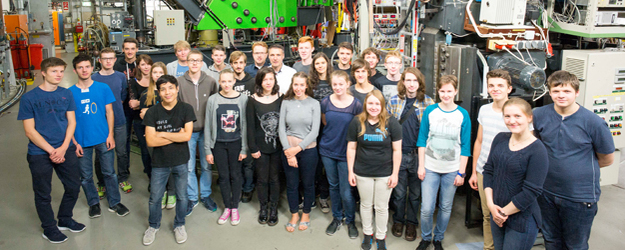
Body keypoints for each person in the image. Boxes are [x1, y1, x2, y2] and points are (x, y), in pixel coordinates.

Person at [533, 70, 615, 250]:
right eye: (556, 91)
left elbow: (607, 158)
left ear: (576, 92)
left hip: (579, 196)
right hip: (546, 192)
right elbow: (537, 146)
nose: (561, 95)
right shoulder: (539, 114)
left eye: (567, 91)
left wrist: (577, 169)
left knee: (575, 245)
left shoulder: (593, 122)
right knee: (552, 241)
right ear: (550, 92)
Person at [18, 57, 85, 243]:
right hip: (39, 152)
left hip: (65, 147)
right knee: (43, 193)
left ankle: (65, 218)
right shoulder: (29, 98)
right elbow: (29, 131)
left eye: (61, 71)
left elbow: (72, 122)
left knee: (73, 186)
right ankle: (49, 228)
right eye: (54, 71)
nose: (59, 75)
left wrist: (63, 148)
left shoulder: (66, 94)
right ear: (44, 73)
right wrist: (52, 150)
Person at [483, 98, 549, 250]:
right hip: (496, 213)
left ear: (529, 117)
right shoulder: (500, 138)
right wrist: (491, 206)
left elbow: (531, 191)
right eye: (507, 116)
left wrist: (503, 212)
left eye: (518, 116)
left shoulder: (537, 150)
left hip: (522, 219)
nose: (512, 121)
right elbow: (489, 171)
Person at [69, 54, 130, 218]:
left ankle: (115, 202)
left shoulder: (102, 88)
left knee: (109, 172)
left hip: (103, 138)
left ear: (92, 68)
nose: (84, 70)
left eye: (87, 66)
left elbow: (110, 112)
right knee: (86, 176)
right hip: (82, 141)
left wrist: (110, 135)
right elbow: (67, 120)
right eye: (80, 67)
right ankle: (93, 203)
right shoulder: (69, 93)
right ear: (75, 70)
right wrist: (74, 142)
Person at [415, 75, 471, 250]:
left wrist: (461, 172)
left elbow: (465, 146)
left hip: (452, 169)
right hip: (430, 167)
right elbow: (422, 140)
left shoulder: (462, 115)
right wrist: (421, 165)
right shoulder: (430, 111)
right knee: (426, 208)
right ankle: (425, 238)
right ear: (438, 91)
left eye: (449, 91)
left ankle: (438, 238)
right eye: (442, 91)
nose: (446, 95)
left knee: (446, 207)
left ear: (455, 91)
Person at [142, 75, 195, 245]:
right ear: (158, 92)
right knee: (155, 198)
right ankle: (153, 225)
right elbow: (150, 141)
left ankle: (179, 224)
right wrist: (176, 135)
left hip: (181, 160)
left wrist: (162, 133)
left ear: (177, 89)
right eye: (163, 89)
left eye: (171, 88)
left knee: (182, 196)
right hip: (160, 163)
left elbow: (187, 136)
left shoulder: (186, 109)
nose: (168, 92)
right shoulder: (152, 112)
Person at [347, 90, 401, 250]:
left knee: (381, 207)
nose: (374, 107)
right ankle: (368, 234)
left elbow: (397, 150)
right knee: (365, 204)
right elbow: (351, 148)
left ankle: (381, 236)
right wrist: (350, 171)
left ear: (382, 105)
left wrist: (395, 173)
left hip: (385, 173)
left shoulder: (392, 123)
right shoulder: (357, 122)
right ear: (365, 105)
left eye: (377, 103)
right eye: (370, 103)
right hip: (362, 172)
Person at [386, 67, 434, 242]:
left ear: (419, 83)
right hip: (399, 154)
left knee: (415, 194)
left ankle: (412, 222)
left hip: (418, 156)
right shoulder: (393, 101)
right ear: (403, 82)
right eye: (408, 80)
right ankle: (398, 220)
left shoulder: (428, 103)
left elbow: (431, 132)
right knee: (398, 193)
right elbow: (387, 128)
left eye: (415, 81)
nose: (411, 84)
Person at [468, 69, 513, 250]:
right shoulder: (484, 110)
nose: (495, 89)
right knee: (488, 215)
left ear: (509, 88)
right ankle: (489, 247)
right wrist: (474, 172)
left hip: (508, 173)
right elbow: (479, 141)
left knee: (506, 214)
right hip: (484, 171)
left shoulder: (515, 111)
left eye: (500, 86)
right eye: (491, 86)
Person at [320, 70, 362, 238]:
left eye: (341, 84)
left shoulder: (356, 104)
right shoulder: (325, 102)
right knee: (333, 186)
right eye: (335, 84)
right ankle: (337, 217)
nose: (338, 87)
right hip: (327, 151)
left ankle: (350, 220)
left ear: (347, 84)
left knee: (346, 190)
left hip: (346, 153)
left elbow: (359, 128)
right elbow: (325, 122)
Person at [177, 49, 220, 215]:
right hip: (188, 132)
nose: (194, 63)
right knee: (189, 167)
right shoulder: (179, 82)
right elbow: (177, 106)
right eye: (191, 60)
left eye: (197, 60)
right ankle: (192, 197)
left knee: (207, 165)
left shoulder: (210, 82)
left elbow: (216, 104)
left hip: (207, 131)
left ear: (202, 63)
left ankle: (206, 195)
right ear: (186, 62)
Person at [204, 69, 249, 225]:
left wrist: (244, 148)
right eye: (223, 81)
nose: (226, 84)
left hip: (236, 143)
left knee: (236, 175)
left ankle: (235, 207)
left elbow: (244, 124)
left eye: (229, 81)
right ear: (219, 82)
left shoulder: (243, 99)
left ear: (234, 82)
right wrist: (208, 149)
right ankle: (227, 207)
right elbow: (208, 126)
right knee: (223, 177)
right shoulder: (213, 100)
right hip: (219, 145)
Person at [279, 72, 321, 232]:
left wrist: (297, 149)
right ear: (292, 85)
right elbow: (281, 129)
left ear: (306, 86)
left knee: (308, 184)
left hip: (308, 151)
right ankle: (294, 213)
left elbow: (314, 131)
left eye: (301, 85)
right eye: (295, 84)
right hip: (288, 150)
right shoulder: (286, 103)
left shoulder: (314, 104)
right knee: (291, 184)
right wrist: (288, 151)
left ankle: (306, 213)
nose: (298, 88)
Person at [246, 67, 282, 226]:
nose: (268, 82)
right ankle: (263, 207)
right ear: (260, 81)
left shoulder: (281, 98)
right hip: (260, 148)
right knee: (261, 179)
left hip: (278, 147)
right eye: (265, 79)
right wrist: (253, 148)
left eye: (271, 79)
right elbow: (250, 126)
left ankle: (273, 208)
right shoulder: (252, 100)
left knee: (274, 178)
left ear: (275, 80)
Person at [92, 47, 132, 194]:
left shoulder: (121, 77)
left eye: (111, 58)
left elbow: (123, 96)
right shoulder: (94, 78)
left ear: (115, 60)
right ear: (100, 60)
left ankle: (122, 178)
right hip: (100, 124)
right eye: (105, 58)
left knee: (121, 152)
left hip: (119, 121)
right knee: (100, 155)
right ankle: (101, 182)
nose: (108, 61)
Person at [113, 37, 139, 197]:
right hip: (123, 109)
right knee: (123, 144)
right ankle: (123, 175)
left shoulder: (142, 63)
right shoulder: (117, 66)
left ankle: (151, 172)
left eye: (132, 48)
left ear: (137, 49)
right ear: (123, 50)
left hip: (140, 109)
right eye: (127, 48)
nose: (129, 51)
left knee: (145, 143)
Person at [230, 51, 256, 202]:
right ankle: (237, 187)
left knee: (248, 162)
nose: (238, 66)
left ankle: (248, 188)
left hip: (248, 126)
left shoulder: (251, 82)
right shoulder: (229, 81)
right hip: (233, 126)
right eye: (235, 63)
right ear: (231, 64)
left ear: (245, 64)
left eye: (241, 63)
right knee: (235, 161)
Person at [309, 52, 333, 212]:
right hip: (313, 128)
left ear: (327, 64)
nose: (320, 66)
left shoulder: (333, 81)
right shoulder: (310, 83)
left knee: (327, 164)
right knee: (315, 163)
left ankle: (324, 195)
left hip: (331, 128)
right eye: (317, 63)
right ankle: (314, 193)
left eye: (322, 63)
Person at [128, 54, 153, 188]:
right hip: (139, 122)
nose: (146, 67)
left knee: (156, 150)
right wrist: (149, 104)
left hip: (155, 122)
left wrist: (141, 103)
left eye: (148, 64)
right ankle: (150, 177)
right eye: (142, 64)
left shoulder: (156, 80)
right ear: (138, 66)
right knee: (145, 149)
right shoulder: (133, 82)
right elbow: (132, 104)